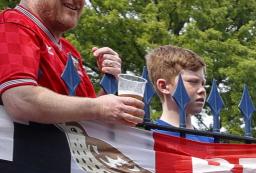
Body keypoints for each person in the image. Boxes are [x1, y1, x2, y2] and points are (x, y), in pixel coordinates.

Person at [0, 0, 138, 126]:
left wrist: (111, 82)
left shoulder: (69, 50)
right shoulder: (12, 23)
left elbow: (85, 120)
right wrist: (99, 107)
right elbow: (20, 100)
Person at [144, 44, 208, 135]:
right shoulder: (150, 139)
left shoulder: (211, 141)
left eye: (203, 83)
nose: (202, 90)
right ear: (163, 86)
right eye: (193, 81)